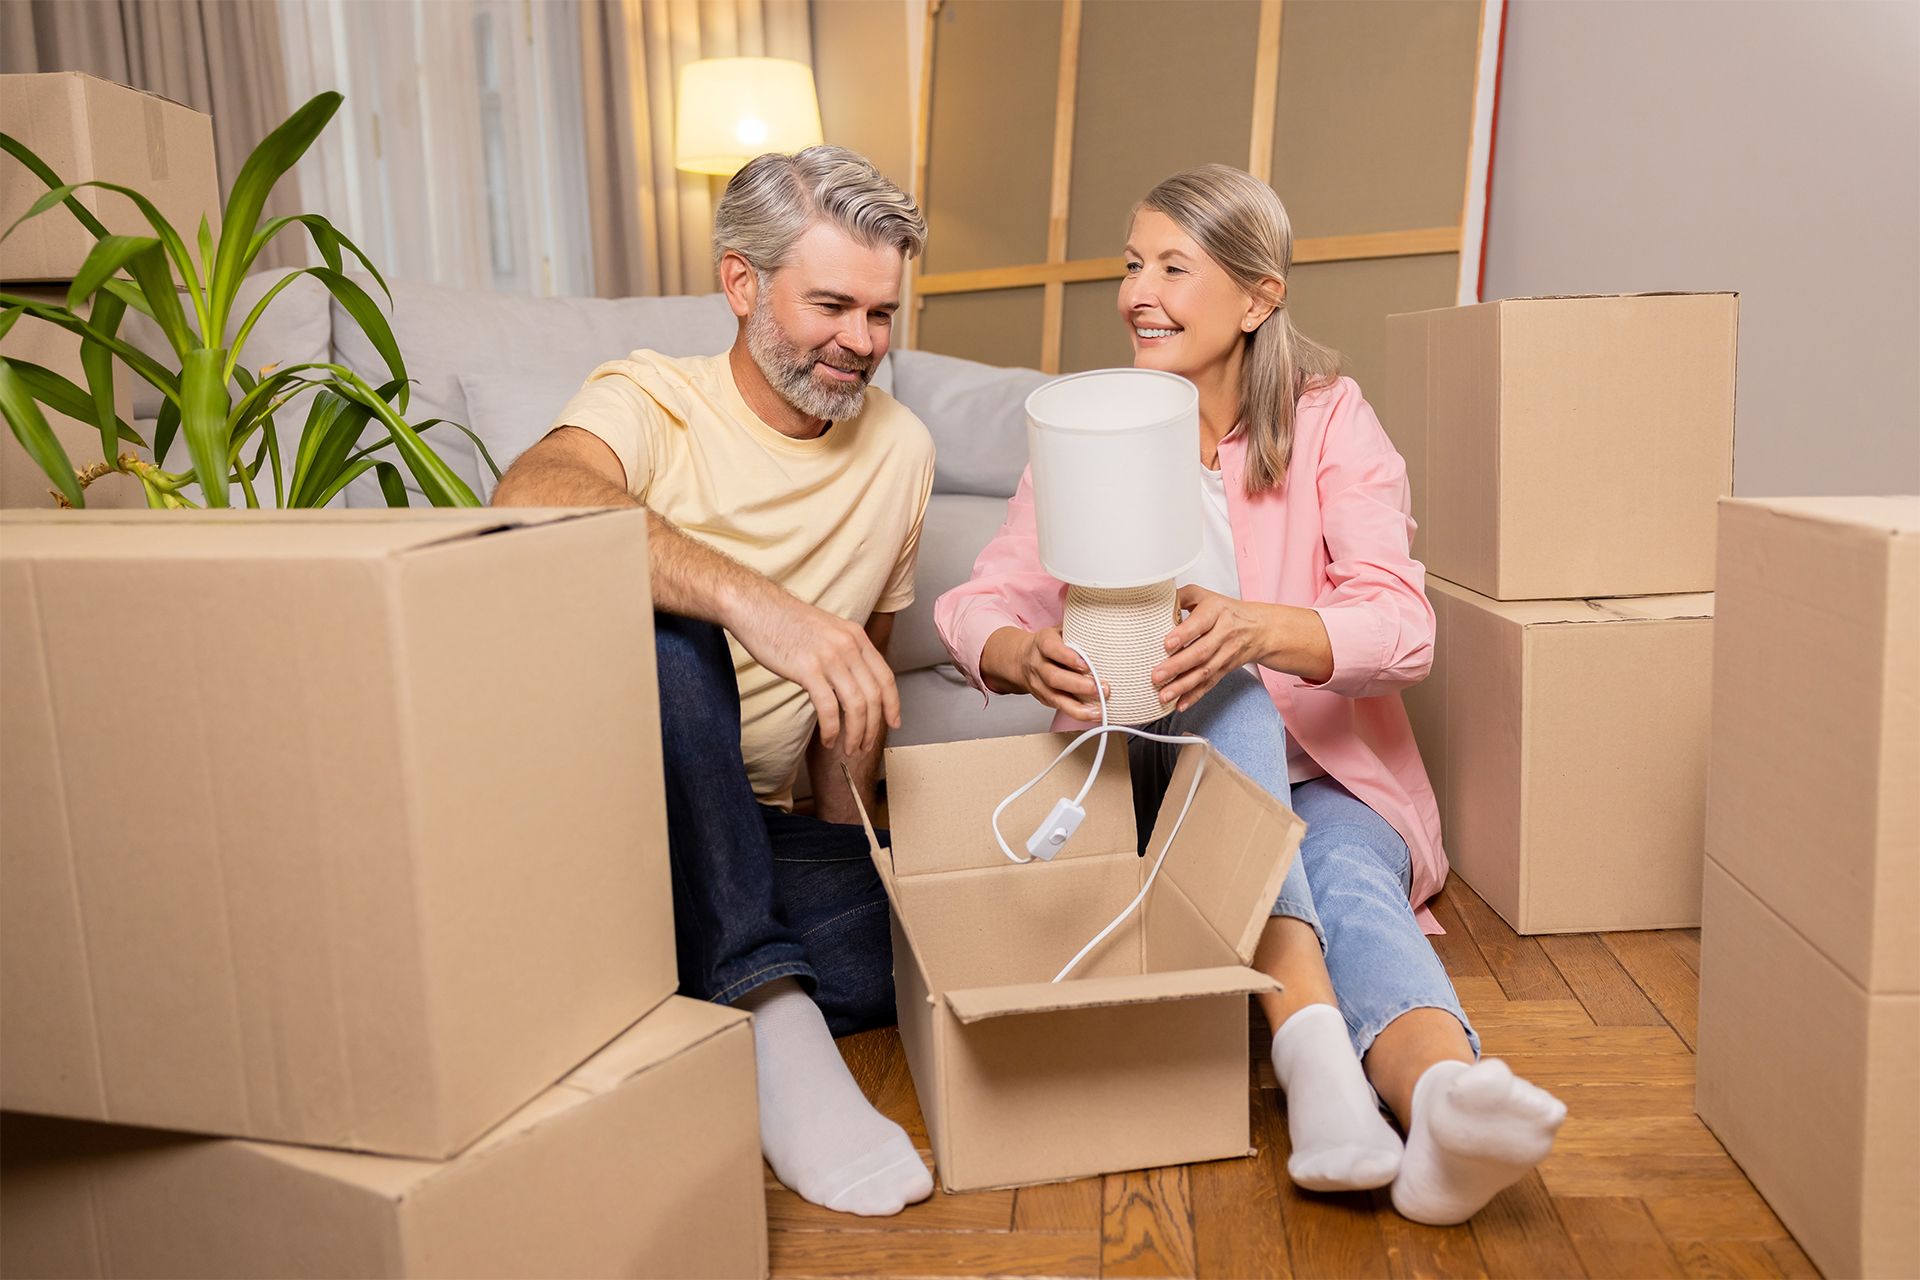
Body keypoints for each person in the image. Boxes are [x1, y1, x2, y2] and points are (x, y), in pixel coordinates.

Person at [934, 164, 1566, 1225]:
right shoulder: (1091, 432)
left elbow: (1405, 626)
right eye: (1132, 264)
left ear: (1258, 295)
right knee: (1215, 679)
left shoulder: (1328, 421)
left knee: (1351, 886)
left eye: (1175, 267)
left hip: (1334, 779)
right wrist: (1010, 650)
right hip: (1155, 782)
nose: (1140, 291)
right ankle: (1314, 1052)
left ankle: (1445, 1102)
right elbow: (976, 598)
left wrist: (1259, 625)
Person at [493, 146, 935, 1217]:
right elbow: (530, 492)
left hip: (772, 831)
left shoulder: (904, 451)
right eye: (832, 303)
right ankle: (769, 1002)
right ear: (743, 284)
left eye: (881, 314)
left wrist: (848, 852)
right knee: (665, 628)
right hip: (625, 820)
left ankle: (693, 995)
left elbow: (856, 683)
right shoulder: (652, 395)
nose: (861, 343)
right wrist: (752, 601)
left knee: (905, 969)